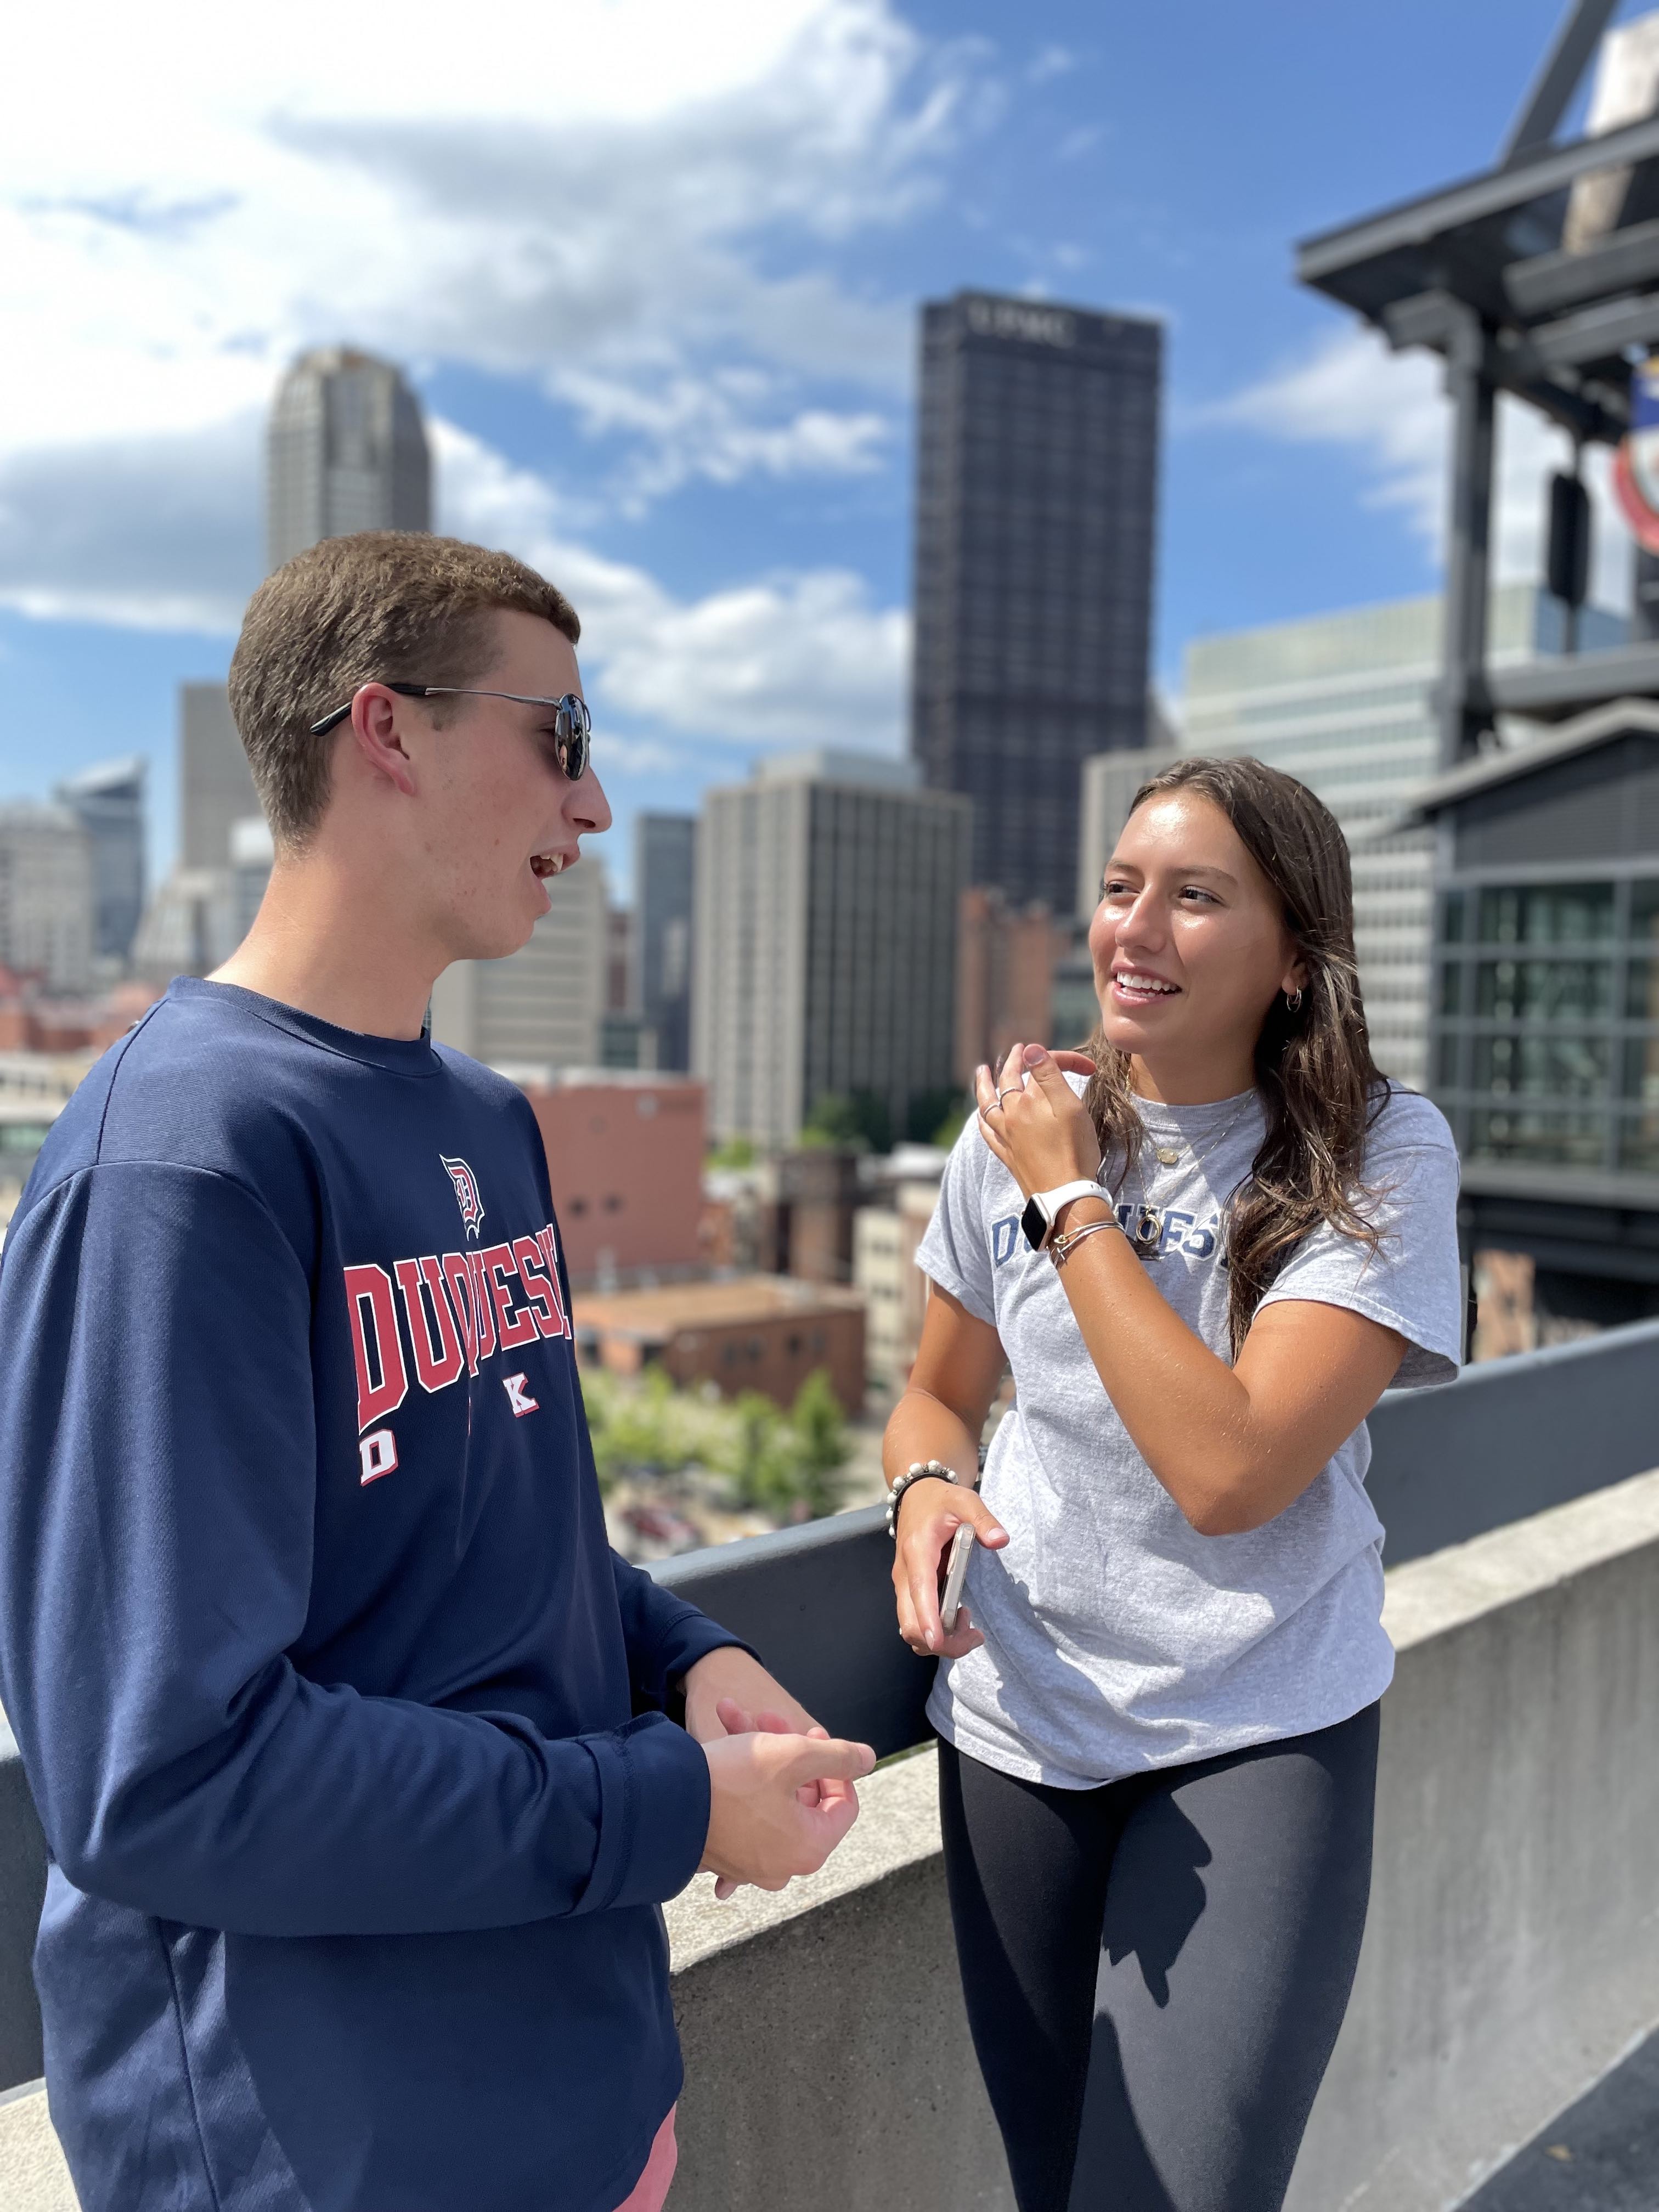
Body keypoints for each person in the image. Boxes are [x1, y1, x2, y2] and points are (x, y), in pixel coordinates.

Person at [0, 531, 874, 2212]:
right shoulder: (178, 1160)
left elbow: (501, 1536)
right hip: (321, 2159)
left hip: (590, 2096)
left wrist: (682, 1652)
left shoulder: (486, 1119)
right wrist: (671, 1812)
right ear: (384, 730)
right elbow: (163, 1774)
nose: (594, 805)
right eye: (563, 734)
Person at [883, 757, 1463, 2212]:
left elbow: (1234, 1471)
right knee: (1055, 2184)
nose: (1135, 928)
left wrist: (1075, 1196)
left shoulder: (1378, 1152)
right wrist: (926, 1488)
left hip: (1258, 1724)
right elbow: (936, 1392)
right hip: (1020, 1719)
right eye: (1121, 887)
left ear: (1292, 957)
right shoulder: (1011, 1129)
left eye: (1197, 898)